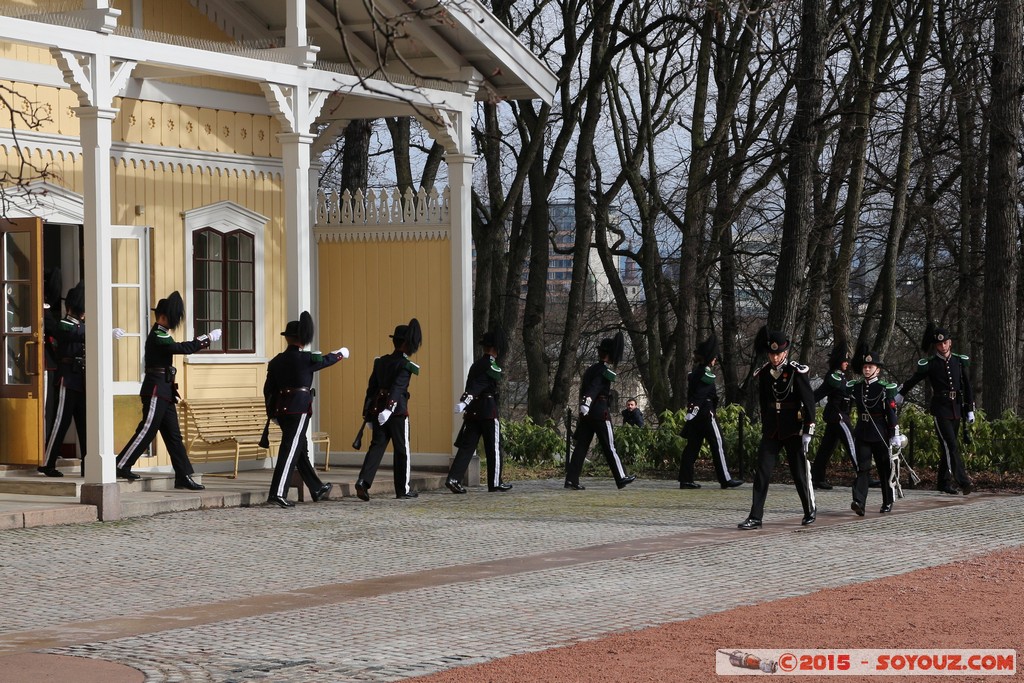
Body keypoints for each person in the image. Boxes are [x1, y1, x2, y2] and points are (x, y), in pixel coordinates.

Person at [115, 291, 219, 490]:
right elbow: (182, 348)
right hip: (156, 389)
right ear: (163, 316)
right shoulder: (158, 335)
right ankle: (120, 464)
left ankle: (183, 475)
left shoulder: (163, 334)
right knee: (147, 429)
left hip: (165, 389)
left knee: (173, 435)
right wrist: (206, 339)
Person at [263, 311, 348, 508]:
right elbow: (327, 360)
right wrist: (340, 353)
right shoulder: (307, 358)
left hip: (282, 410)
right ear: (302, 339)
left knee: (299, 449)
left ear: (288, 339)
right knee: (290, 450)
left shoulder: (276, 361)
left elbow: (268, 389)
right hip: (298, 408)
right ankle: (277, 492)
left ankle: (316, 487)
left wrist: (272, 412)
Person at [738, 328, 817, 530]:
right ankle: (755, 516)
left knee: (799, 473)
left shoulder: (795, 371)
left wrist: (808, 428)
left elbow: (808, 401)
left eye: (778, 353)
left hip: (792, 429)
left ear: (785, 352)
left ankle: (809, 510)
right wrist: (766, 426)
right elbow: (764, 403)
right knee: (762, 472)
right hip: (772, 429)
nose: (774, 357)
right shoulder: (764, 373)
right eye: (771, 353)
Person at [897, 322, 974, 495]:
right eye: (939, 344)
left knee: (948, 446)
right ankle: (963, 481)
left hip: (956, 408)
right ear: (936, 346)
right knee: (950, 445)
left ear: (950, 343)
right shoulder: (931, 364)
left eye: (945, 343)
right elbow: (914, 379)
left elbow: (967, 385)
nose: (943, 346)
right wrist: (901, 393)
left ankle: (943, 482)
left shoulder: (959, 362)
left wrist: (969, 408)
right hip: (940, 409)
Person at [355, 318, 422, 501]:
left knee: (376, 448)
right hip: (397, 411)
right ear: (407, 343)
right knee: (402, 450)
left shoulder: (381, 361)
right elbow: (398, 387)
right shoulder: (406, 365)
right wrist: (390, 409)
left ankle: (363, 481)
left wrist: (368, 414)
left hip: (378, 409)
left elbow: (371, 389)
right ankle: (403, 489)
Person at [564, 332, 636, 491]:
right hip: (600, 412)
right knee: (610, 446)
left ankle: (571, 479)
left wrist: (585, 406)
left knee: (581, 446)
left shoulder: (591, 369)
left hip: (588, 414)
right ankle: (621, 476)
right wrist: (588, 401)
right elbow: (595, 387)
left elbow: (586, 387)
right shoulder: (605, 371)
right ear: (609, 355)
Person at [446, 329, 512, 494]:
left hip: (473, 411)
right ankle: (495, 481)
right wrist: (464, 401)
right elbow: (478, 386)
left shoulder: (476, 364)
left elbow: (471, 386)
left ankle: (453, 478)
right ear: (495, 348)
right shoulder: (491, 366)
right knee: (494, 447)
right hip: (488, 411)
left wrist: (466, 403)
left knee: (467, 448)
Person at [678, 334, 743, 490]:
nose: (715, 360)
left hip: (696, 417)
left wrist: (691, 412)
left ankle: (685, 479)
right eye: (713, 357)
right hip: (706, 414)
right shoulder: (706, 375)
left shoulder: (694, 373)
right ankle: (725, 478)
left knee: (692, 447)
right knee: (719, 445)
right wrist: (696, 408)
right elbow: (701, 395)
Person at [38, 282, 86, 477]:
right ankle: (48, 462)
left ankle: (88, 463)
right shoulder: (65, 324)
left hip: (81, 379)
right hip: (67, 378)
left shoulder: (82, 325)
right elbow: (76, 334)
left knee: (85, 425)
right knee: (61, 422)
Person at [849, 347, 901, 515]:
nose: (867, 369)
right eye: (865, 367)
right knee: (862, 468)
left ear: (877, 369)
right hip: (863, 432)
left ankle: (888, 500)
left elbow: (890, 412)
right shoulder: (856, 387)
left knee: (884, 468)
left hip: (879, 431)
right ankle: (859, 502)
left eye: (870, 367)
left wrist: (894, 433)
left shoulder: (884, 388)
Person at [809, 344, 855, 490]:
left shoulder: (840, 376)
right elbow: (819, 394)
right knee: (852, 443)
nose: (847, 363)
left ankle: (817, 477)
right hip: (838, 416)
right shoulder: (833, 377)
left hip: (838, 415)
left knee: (826, 448)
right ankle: (864, 474)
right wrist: (806, 403)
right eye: (844, 360)